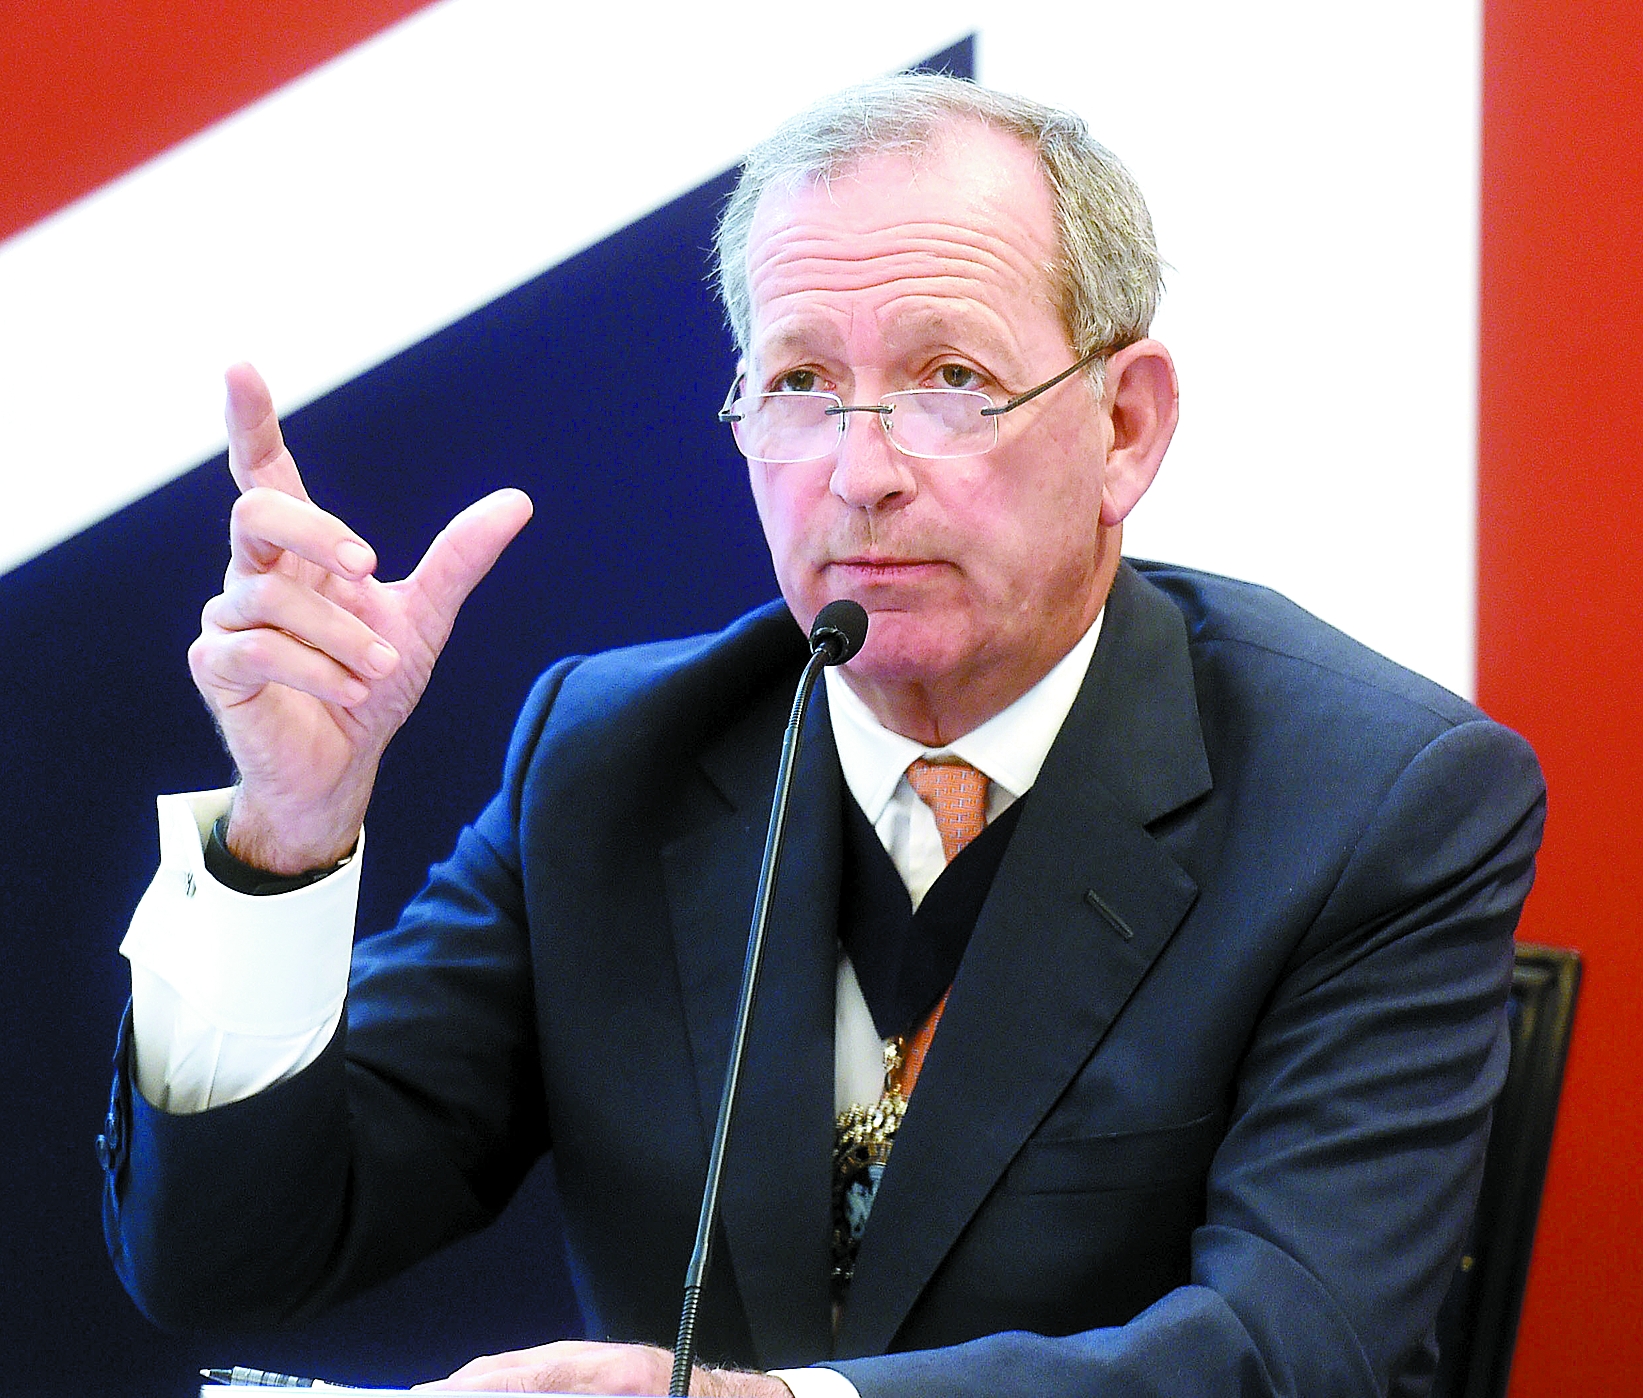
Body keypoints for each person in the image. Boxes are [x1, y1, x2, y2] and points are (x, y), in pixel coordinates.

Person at [102, 75, 1545, 1398]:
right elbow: (229, 1263)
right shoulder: (613, 758)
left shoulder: (1372, 803)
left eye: (950, 380)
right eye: (798, 385)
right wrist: (286, 834)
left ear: (1125, 426)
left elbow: (1298, 1355)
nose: (860, 474)